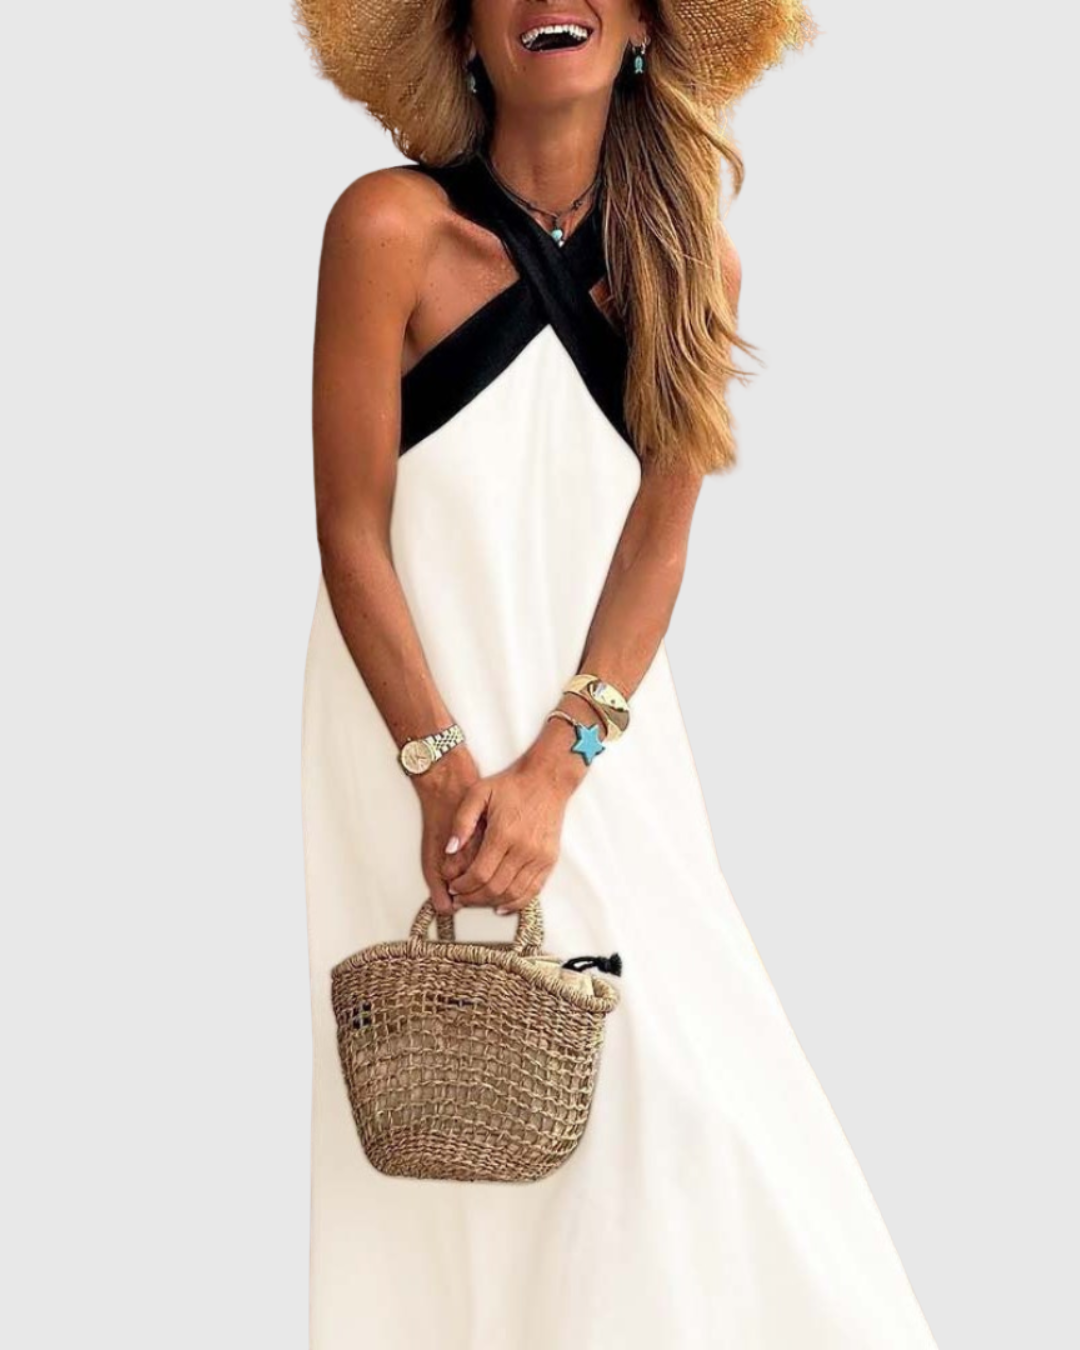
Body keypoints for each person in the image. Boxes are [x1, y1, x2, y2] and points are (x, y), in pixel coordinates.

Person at [294, 1, 939, 1346]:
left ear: (645, 22)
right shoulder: (386, 229)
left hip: (598, 746)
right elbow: (349, 527)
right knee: (449, 1149)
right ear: (463, 32)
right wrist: (441, 769)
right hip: (405, 727)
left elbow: (657, 546)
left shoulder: (692, 266)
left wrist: (556, 769)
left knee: (690, 1110)